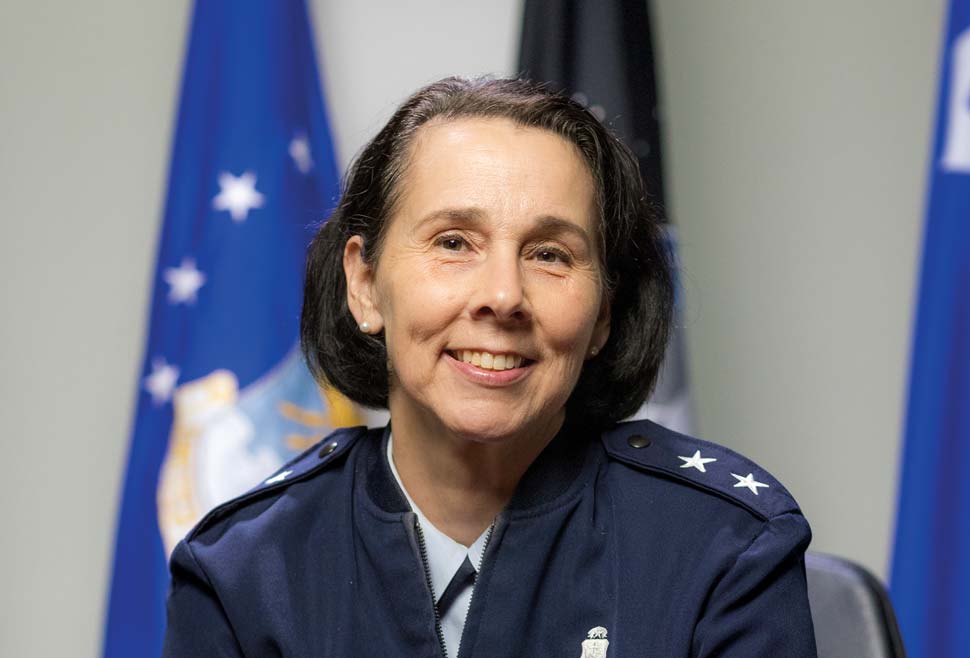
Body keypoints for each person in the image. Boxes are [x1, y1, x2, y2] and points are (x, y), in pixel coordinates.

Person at [162, 77, 817, 657]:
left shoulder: (721, 546)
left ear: (605, 314)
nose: (502, 295)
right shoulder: (246, 570)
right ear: (364, 284)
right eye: (454, 242)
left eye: (551, 255)